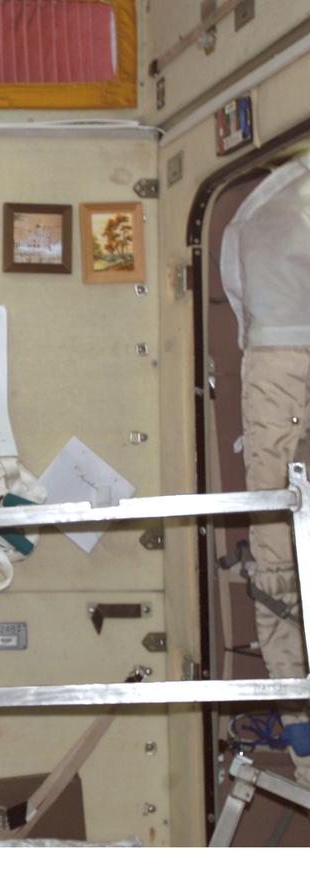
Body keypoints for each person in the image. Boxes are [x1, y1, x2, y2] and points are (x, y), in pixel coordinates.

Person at [220, 151, 310, 784]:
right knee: (277, 548)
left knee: (276, 548)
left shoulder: (262, 209)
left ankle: (304, 741)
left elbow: (237, 297)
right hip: (276, 347)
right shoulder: (271, 207)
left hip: (275, 352)